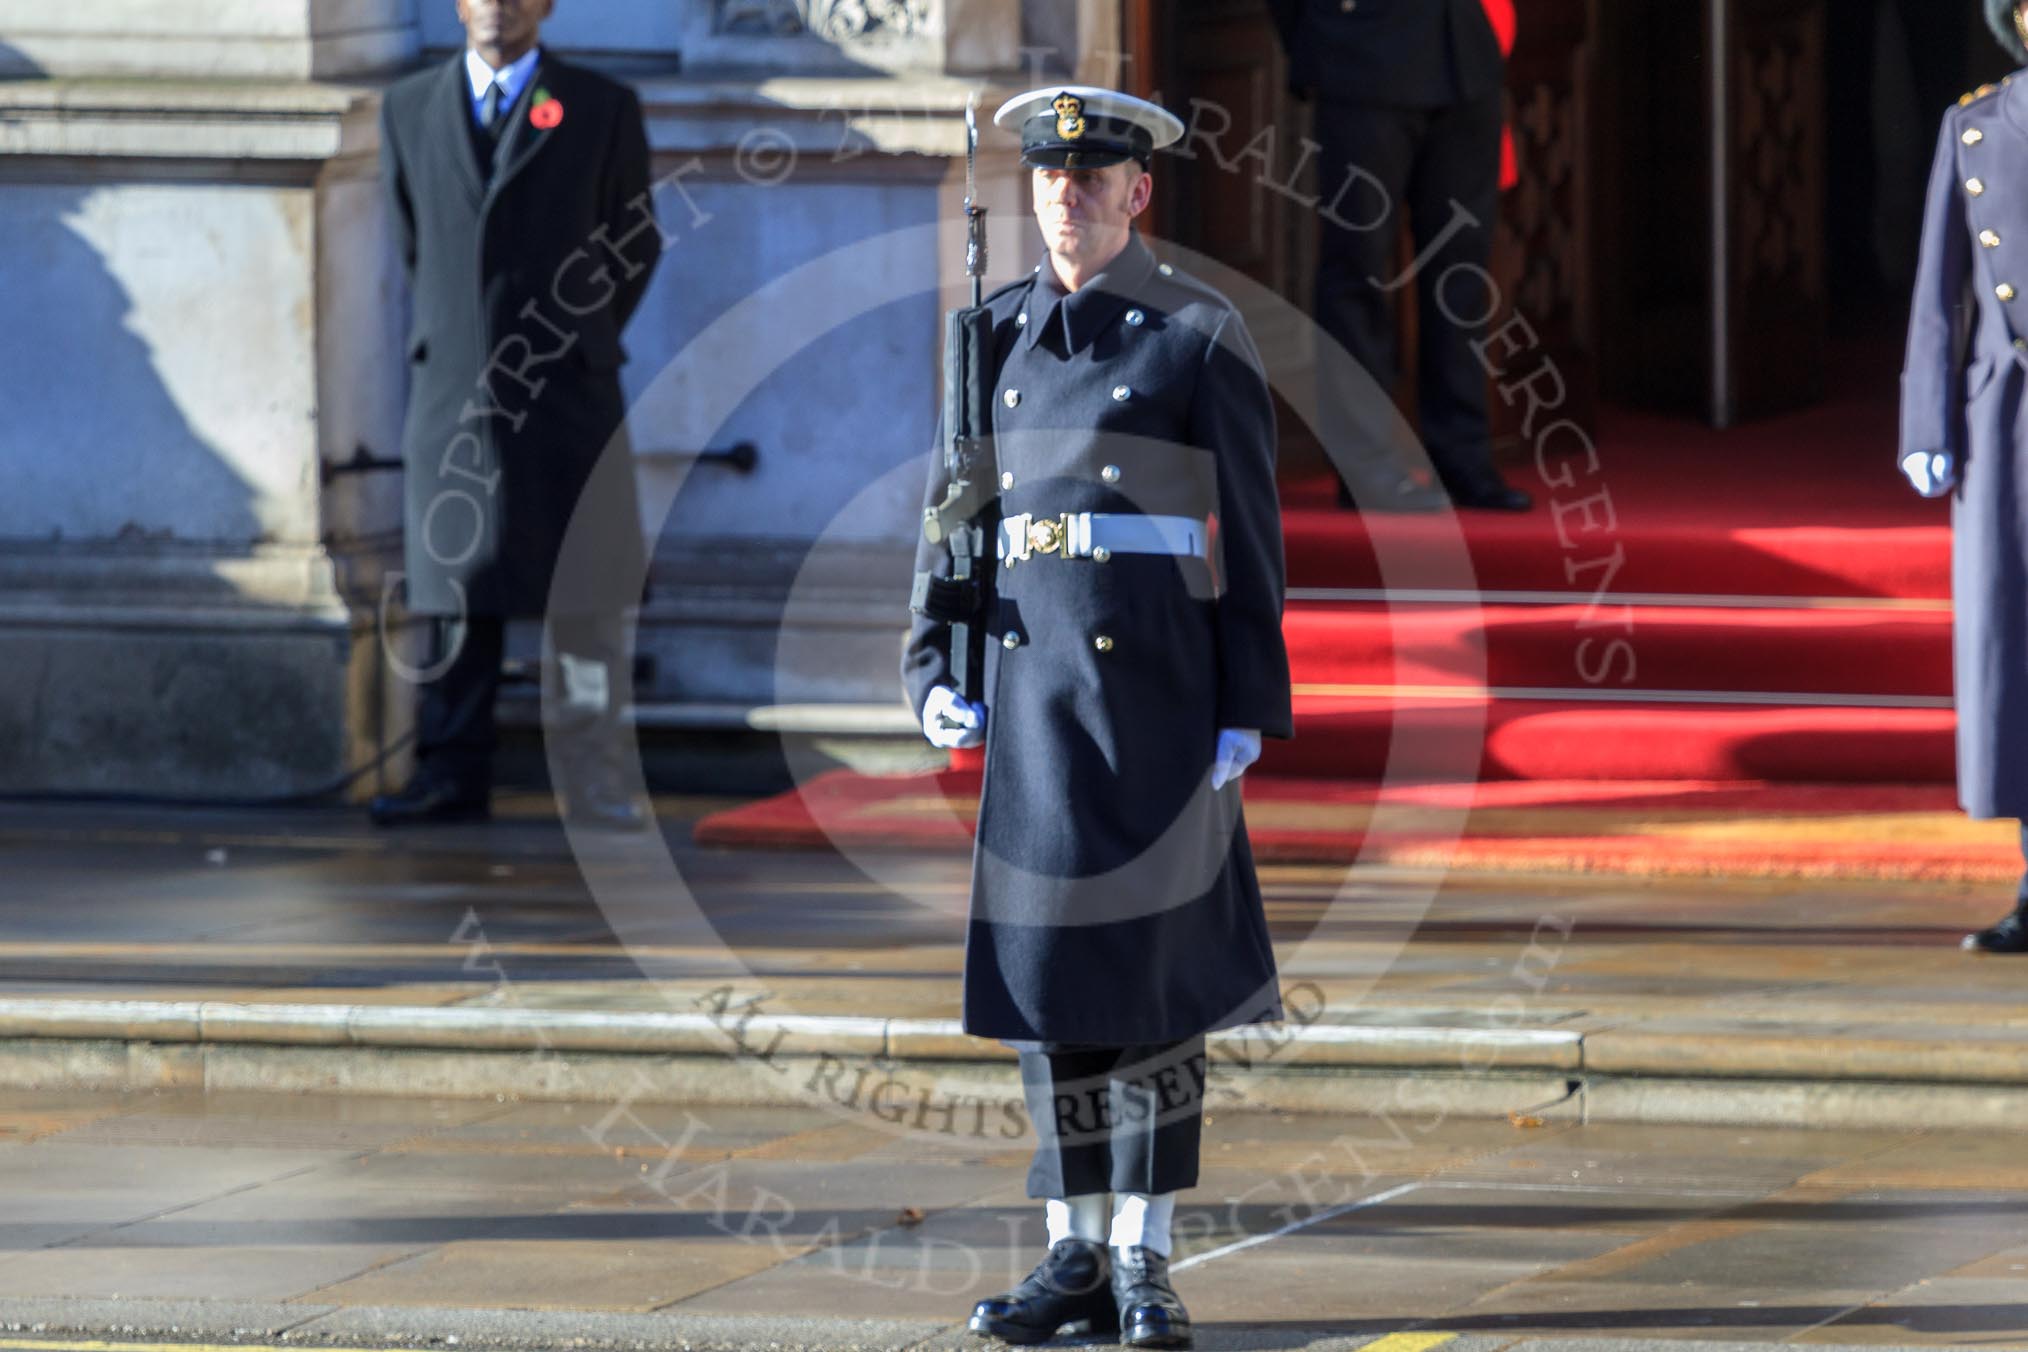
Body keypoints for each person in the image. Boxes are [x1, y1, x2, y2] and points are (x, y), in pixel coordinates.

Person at [903, 86, 1294, 1348]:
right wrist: (929, 664)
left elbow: (1251, 538)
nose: (1067, 192)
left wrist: (1248, 703)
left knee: (1156, 986)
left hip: (1159, 702)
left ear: (1137, 192)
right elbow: (955, 519)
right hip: (1034, 705)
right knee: (1053, 983)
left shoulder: (1193, 333)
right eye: (1049, 175)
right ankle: (1073, 1243)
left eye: (1094, 174)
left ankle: (1146, 1253)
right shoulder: (993, 336)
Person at [372, 0, 659, 829]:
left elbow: (632, 245)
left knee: (584, 598)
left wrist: (574, 338)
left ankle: (594, 778)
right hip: (454, 390)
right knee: (455, 596)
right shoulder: (408, 106)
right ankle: (449, 774)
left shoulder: (600, 106)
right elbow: (413, 236)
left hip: (565, 391)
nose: (498, 4)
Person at [1267, 0, 1533, 513]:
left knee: (1461, 274)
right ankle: (1365, 469)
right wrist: (1319, 46)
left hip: (1466, 54)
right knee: (1357, 272)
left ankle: (1463, 456)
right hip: (1364, 55)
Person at [1903, 0, 2028, 952]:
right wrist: (1926, 419)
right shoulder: (1975, 121)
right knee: (2013, 641)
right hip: (2009, 414)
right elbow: (1936, 291)